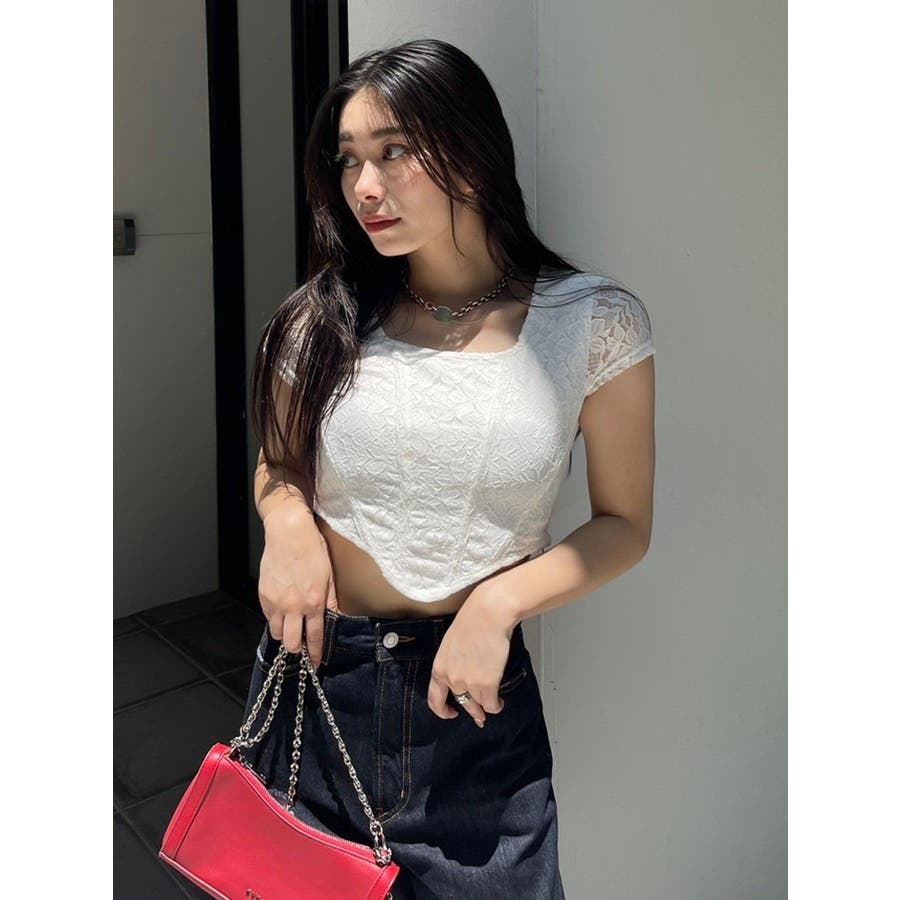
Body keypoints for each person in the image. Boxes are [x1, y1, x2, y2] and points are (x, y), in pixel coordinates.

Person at [239, 38, 656, 900]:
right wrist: (286, 524)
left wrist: (499, 604)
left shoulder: (591, 322)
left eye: (394, 150)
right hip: (319, 678)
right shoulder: (322, 319)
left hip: (471, 705)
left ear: (471, 146)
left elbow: (625, 524)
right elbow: (279, 464)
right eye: (348, 160)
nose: (365, 186)